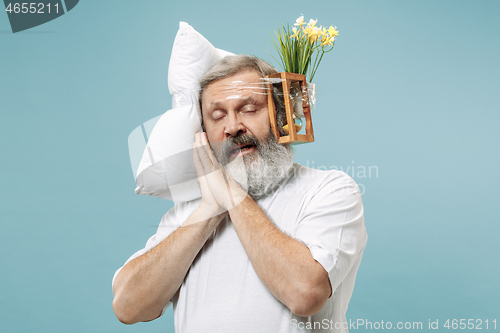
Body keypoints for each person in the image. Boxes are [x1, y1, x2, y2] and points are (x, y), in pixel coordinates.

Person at [112, 55, 367, 333]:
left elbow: (305, 293)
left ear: (279, 116)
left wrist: (232, 196)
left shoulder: (329, 189)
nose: (232, 127)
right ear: (203, 134)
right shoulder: (188, 212)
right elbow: (127, 307)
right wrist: (210, 209)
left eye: (248, 109)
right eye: (218, 116)